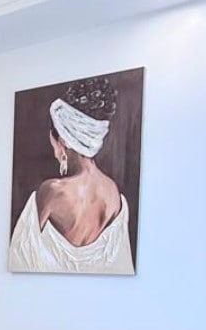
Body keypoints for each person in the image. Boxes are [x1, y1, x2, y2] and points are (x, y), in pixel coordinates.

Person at [8, 76, 134, 274]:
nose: (54, 151)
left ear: (63, 141)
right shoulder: (112, 191)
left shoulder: (52, 191)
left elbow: (20, 255)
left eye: (53, 141)